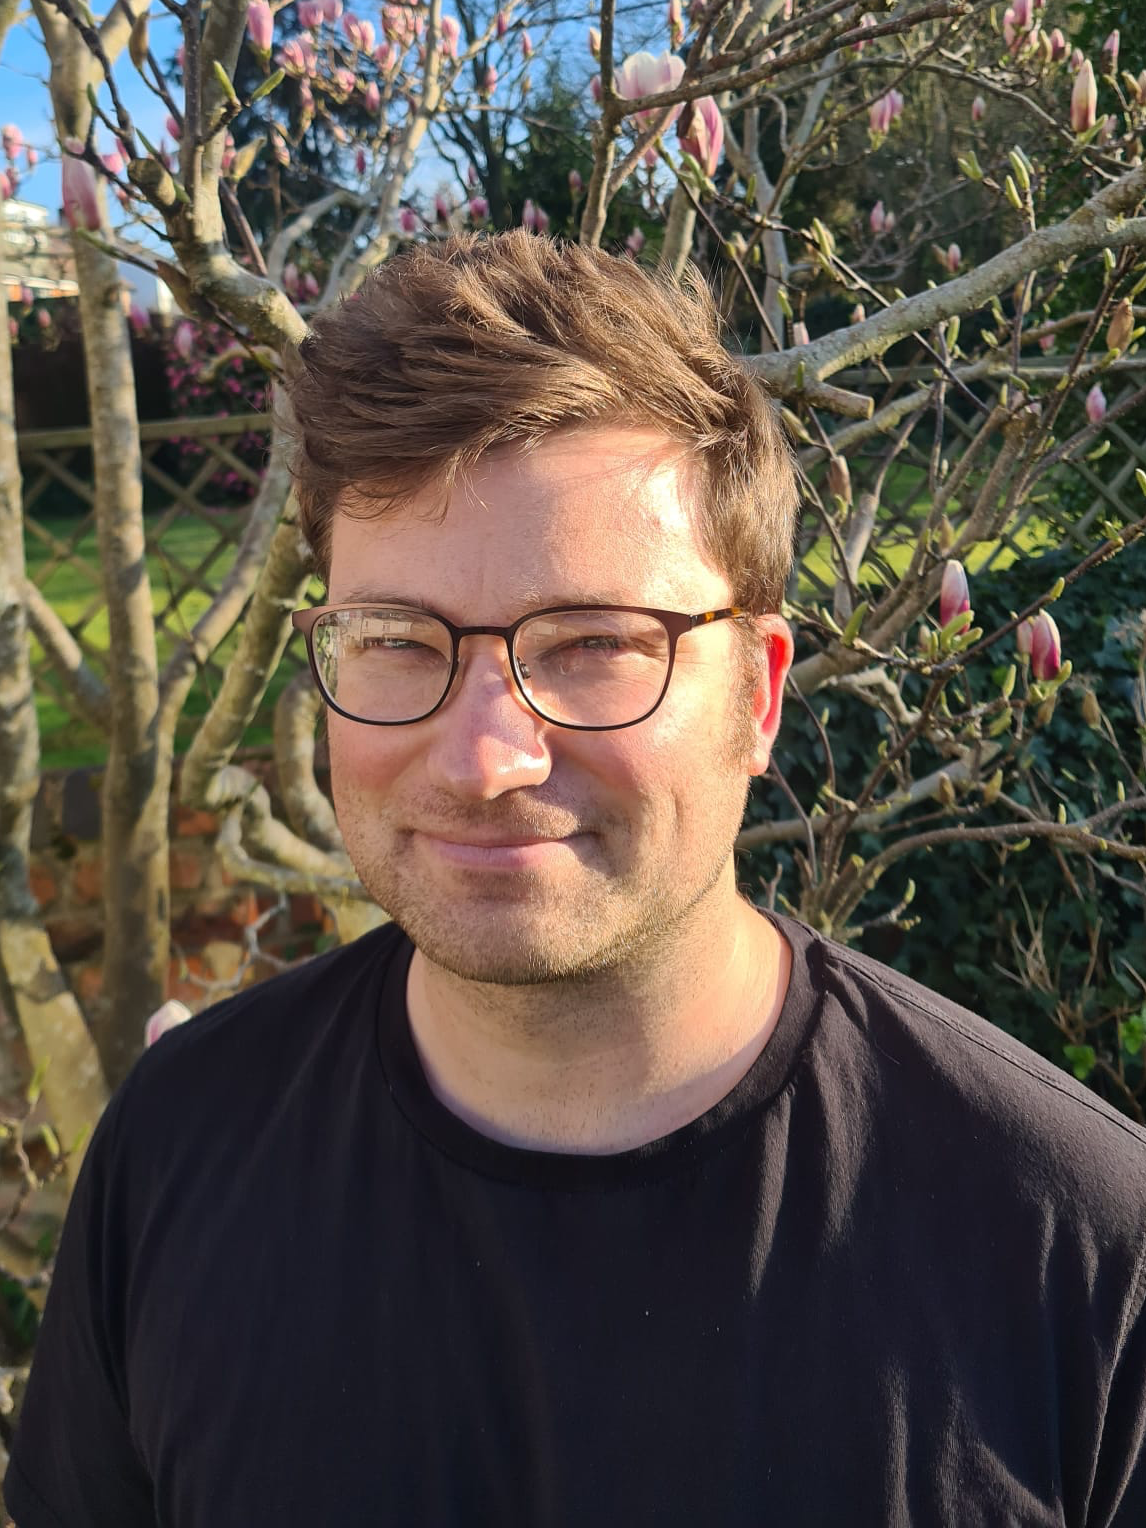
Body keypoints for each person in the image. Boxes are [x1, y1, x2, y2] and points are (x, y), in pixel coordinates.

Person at [5, 231, 1146, 1528]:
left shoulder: (1078, 1254)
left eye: (596, 643)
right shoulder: (176, 1150)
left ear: (760, 695)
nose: (485, 758)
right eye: (396, 639)